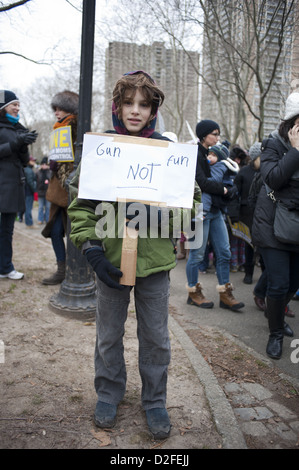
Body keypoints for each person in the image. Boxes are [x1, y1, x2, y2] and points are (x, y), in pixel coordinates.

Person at [68, 71, 197, 440]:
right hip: (109, 262)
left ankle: (155, 401)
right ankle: (109, 394)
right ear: (117, 106)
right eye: (128, 103)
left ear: (154, 110)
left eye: (144, 104)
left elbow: (193, 204)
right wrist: (92, 250)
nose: (135, 111)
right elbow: (81, 208)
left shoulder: (170, 152)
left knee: (156, 337)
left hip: (154, 266)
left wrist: (156, 215)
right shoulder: (101, 150)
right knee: (108, 335)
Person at [251, 91, 299, 360]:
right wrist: (296, 151)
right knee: (278, 284)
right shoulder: (273, 144)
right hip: (272, 225)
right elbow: (274, 178)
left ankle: (276, 313)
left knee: (293, 283)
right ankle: (276, 334)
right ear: (291, 123)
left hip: (297, 225)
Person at [186, 119, 245, 311]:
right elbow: (201, 183)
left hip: (215, 210)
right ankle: (193, 293)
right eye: (215, 133)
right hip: (200, 212)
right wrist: (225, 190)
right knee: (197, 254)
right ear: (204, 135)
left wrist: (227, 188)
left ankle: (225, 294)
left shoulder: (214, 156)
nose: (218, 138)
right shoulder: (195, 154)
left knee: (225, 252)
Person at [41, 90, 78, 285]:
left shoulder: (77, 126)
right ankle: (62, 269)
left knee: (76, 233)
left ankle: (77, 270)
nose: (56, 112)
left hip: (71, 187)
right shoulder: (58, 128)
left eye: (60, 108)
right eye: (55, 108)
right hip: (58, 190)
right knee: (55, 231)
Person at [0, 90, 38, 280]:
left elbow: (24, 161)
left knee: (7, 230)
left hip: (12, 187)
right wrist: (16, 142)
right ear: (2, 107)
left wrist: (24, 143)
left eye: (18, 105)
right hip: (2, 185)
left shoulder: (18, 128)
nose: (17, 108)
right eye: (13, 104)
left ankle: (5, 267)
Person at [233, 143, 258, 284]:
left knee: (263, 246)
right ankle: (248, 273)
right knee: (249, 245)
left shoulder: (267, 171)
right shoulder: (243, 172)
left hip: (262, 214)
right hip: (246, 213)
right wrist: (234, 215)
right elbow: (234, 194)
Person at [36, 157, 51, 224]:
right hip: (40, 192)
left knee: (48, 207)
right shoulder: (38, 172)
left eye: (45, 164)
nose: (44, 165)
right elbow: (35, 181)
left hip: (48, 192)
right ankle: (40, 219)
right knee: (40, 207)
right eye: (43, 164)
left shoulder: (50, 172)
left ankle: (47, 219)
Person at [24, 156, 37, 228]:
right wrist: (34, 190)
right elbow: (30, 181)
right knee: (28, 208)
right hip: (29, 192)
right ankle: (29, 223)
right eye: (33, 161)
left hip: (27, 191)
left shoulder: (27, 169)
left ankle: (28, 222)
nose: (34, 162)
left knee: (27, 207)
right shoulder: (28, 170)